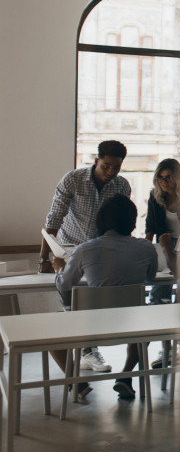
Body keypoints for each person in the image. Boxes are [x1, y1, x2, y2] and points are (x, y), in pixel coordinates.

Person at [50, 195, 158, 400]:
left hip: (92, 329)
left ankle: (77, 382)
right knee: (146, 325)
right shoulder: (146, 248)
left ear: (101, 221)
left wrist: (59, 269)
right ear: (132, 221)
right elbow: (149, 278)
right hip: (132, 326)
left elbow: (64, 284)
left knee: (48, 333)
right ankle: (125, 376)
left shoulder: (85, 249)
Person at [41, 139, 131, 373]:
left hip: (102, 250)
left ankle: (88, 350)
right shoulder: (73, 179)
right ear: (96, 161)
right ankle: (83, 348)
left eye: (116, 167)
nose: (111, 172)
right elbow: (53, 220)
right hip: (70, 248)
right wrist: (43, 259)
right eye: (106, 166)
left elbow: (123, 222)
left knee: (93, 301)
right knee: (70, 297)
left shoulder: (121, 186)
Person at [145, 158, 180, 301]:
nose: (164, 181)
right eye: (160, 177)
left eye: (168, 177)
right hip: (165, 243)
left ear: (177, 177)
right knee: (160, 288)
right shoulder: (155, 195)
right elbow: (150, 225)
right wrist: (145, 249)